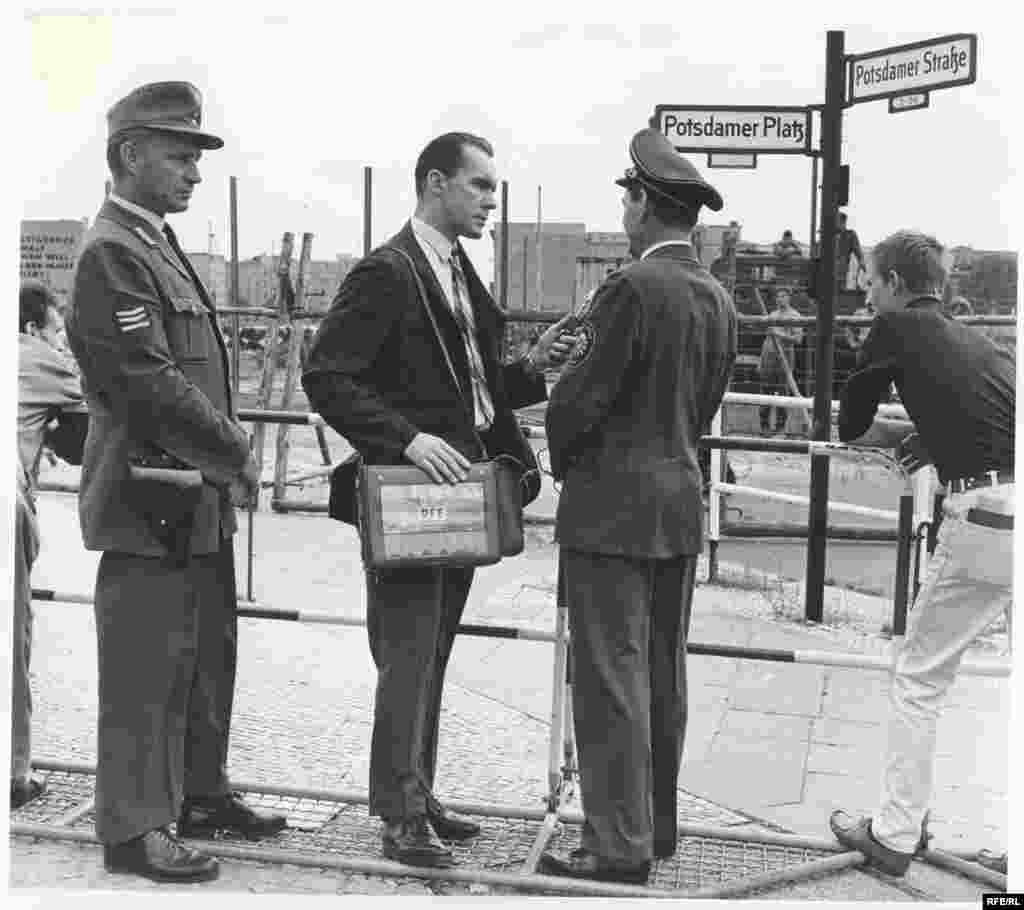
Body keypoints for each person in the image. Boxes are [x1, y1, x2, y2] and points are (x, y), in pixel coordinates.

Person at [302, 132, 575, 869]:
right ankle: (399, 814)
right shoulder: (388, 272)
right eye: (480, 185)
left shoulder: (454, 268)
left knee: (434, 651)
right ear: (435, 184)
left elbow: (474, 391)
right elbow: (327, 376)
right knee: (409, 651)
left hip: (458, 496)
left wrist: (532, 369)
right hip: (413, 494)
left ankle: (416, 794)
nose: (492, 199)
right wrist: (406, 438)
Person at [66, 81, 285, 885]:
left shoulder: (153, 242)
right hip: (148, 499)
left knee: (202, 656)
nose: (195, 171)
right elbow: (149, 382)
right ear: (130, 155)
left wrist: (223, 465)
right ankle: (133, 827)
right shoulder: (112, 252)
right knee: (145, 667)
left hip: (191, 495)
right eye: (180, 155)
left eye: (197, 156)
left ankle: (198, 791)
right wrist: (237, 449)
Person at [538, 128, 737, 884]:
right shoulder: (716, 297)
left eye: (627, 196)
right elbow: (705, 403)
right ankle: (654, 827)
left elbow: (581, 401)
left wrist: (563, 451)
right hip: (678, 503)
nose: (623, 210)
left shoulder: (628, 290)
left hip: (612, 511)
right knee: (662, 671)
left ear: (645, 206)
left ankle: (614, 847)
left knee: (609, 676)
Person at [829, 230, 1014, 876]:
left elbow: (851, 423)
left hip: (983, 518)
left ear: (899, 286)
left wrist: (893, 426)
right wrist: (933, 439)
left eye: (873, 283)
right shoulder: (975, 338)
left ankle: (896, 832)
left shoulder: (895, 327)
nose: (867, 295)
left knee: (917, 676)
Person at [13, 281, 87, 810]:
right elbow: (94, 413)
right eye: (58, 331)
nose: (62, 343)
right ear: (33, 330)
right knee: (10, 642)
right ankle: (13, 774)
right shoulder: (39, 358)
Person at [757, 287, 803, 434]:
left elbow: (798, 339)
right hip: (768, 358)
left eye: (783, 296)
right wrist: (761, 360)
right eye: (778, 296)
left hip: (784, 360)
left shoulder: (795, 316)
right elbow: (767, 339)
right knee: (765, 393)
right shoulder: (773, 314)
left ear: (789, 298)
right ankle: (764, 427)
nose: (780, 299)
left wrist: (778, 333)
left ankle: (780, 428)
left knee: (783, 394)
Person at [836, 211, 865, 290]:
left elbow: (858, 252)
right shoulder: (829, 235)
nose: (837, 224)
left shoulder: (850, 235)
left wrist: (861, 262)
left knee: (840, 292)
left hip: (841, 272)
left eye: (839, 221)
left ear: (844, 222)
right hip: (827, 272)